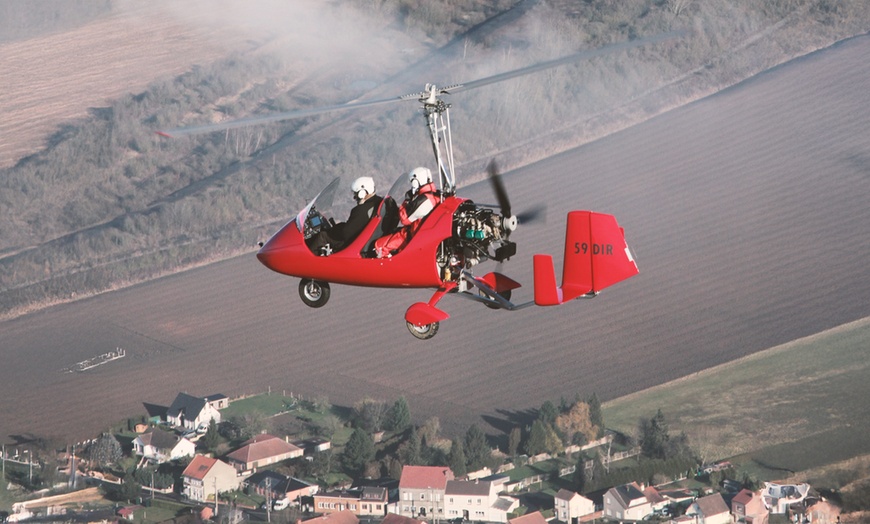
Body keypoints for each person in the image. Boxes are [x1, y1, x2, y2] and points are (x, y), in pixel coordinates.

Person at [374, 166, 439, 258]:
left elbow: (404, 219)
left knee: (379, 245)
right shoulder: (435, 194)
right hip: (420, 234)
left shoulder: (423, 200)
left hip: (412, 237)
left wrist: (407, 201)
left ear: (416, 181)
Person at [308, 176, 382, 255]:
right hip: (365, 241)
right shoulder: (379, 202)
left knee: (322, 236)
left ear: (362, 192)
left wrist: (333, 231)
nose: (354, 197)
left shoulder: (361, 210)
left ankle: (308, 262)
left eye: (356, 194)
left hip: (353, 245)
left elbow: (346, 234)